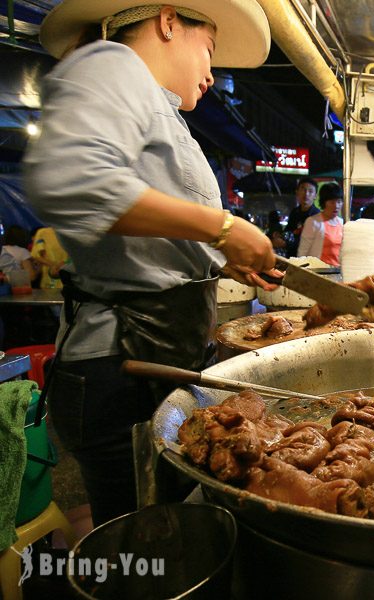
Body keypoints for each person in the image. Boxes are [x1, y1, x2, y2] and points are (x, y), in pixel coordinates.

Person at [22, 0, 276, 526]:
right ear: (167, 22)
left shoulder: (165, 113)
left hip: (152, 361)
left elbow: (147, 235)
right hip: (121, 366)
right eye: (208, 49)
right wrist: (224, 228)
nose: (211, 72)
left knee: (159, 531)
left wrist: (220, 259)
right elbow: (72, 182)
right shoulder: (114, 64)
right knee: (140, 542)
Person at [298, 182, 343, 265]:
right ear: (324, 202)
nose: (336, 206)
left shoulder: (342, 223)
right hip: (318, 272)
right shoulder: (313, 222)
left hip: (338, 273)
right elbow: (302, 251)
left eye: (339, 202)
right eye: (332, 202)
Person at [285, 177, 320, 257]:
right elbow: (289, 230)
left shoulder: (317, 216)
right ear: (297, 192)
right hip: (292, 258)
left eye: (310, 191)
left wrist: (288, 242)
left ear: (315, 196)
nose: (306, 194)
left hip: (308, 260)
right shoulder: (294, 212)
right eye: (303, 189)